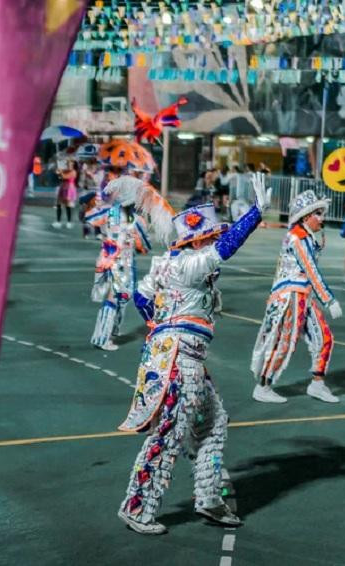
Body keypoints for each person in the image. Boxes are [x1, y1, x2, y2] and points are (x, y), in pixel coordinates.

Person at [116, 174, 271, 535]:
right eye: (210, 236)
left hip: (179, 357)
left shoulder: (169, 264)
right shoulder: (189, 266)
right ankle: (137, 507)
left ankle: (209, 498)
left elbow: (141, 297)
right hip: (178, 361)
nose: (215, 239)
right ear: (199, 239)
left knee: (214, 424)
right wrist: (256, 213)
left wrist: (159, 325)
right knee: (169, 434)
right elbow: (228, 247)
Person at [250, 189, 343, 404]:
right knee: (283, 342)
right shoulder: (297, 238)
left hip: (303, 294)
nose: (322, 218)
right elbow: (310, 269)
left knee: (324, 336)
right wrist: (329, 299)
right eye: (318, 213)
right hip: (289, 296)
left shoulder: (306, 236)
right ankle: (262, 387)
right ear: (305, 216)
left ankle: (317, 384)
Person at [89, 203, 150, 351]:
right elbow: (143, 248)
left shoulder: (117, 214)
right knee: (114, 298)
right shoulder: (127, 217)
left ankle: (113, 330)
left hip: (117, 260)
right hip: (117, 262)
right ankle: (101, 338)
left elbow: (91, 218)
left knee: (122, 297)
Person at [52, 160, 78, 229]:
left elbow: (65, 177)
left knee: (68, 206)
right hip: (63, 187)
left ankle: (69, 222)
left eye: (70, 165)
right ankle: (58, 222)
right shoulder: (65, 170)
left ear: (73, 165)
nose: (69, 166)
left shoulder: (73, 172)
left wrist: (61, 173)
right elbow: (58, 175)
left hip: (69, 189)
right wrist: (57, 171)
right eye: (68, 165)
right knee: (59, 204)